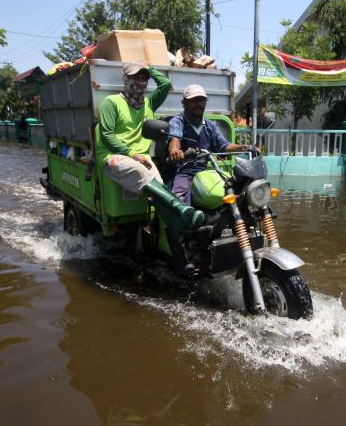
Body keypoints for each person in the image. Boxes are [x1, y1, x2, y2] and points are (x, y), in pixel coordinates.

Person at [95, 62, 204, 275]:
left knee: (161, 195)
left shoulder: (147, 104)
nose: (140, 81)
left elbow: (165, 85)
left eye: (143, 78)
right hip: (112, 156)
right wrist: (132, 154)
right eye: (136, 77)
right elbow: (106, 135)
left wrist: (149, 68)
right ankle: (183, 211)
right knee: (141, 173)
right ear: (125, 78)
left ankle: (181, 260)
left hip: (141, 158)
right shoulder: (112, 102)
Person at [166, 84, 251, 204]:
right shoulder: (178, 122)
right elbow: (175, 139)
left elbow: (225, 145)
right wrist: (175, 151)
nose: (199, 104)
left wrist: (246, 147)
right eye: (194, 100)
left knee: (235, 190)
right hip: (183, 172)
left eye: (201, 100)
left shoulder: (209, 126)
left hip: (204, 172)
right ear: (184, 103)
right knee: (179, 203)